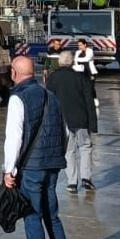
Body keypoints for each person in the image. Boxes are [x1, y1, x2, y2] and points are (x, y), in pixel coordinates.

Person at [2, 54, 76, 239]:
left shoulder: (18, 98)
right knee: (52, 216)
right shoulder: (50, 96)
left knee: (32, 216)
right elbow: (65, 132)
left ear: (15, 72)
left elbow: (14, 137)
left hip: (31, 167)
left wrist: (8, 169)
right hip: (53, 165)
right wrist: (58, 157)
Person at [47, 52, 97, 195]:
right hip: (81, 119)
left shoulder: (52, 79)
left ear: (60, 62)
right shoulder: (81, 78)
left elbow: (49, 102)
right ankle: (86, 177)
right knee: (85, 147)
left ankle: (72, 182)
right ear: (72, 62)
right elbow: (89, 102)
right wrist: (93, 124)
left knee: (69, 151)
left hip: (63, 120)